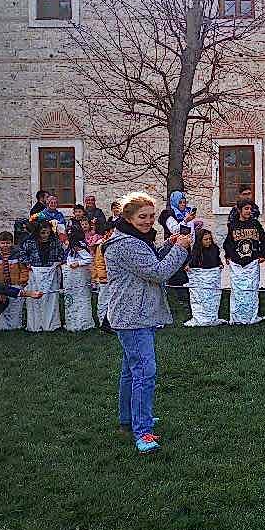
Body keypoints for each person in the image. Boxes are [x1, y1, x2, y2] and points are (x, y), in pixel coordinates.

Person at [103, 191, 192, 454]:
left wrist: (169, 245)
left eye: (152, 216)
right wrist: (180, 248)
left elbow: (149, 261)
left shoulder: (133, 239)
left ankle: (128, 420)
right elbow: (157, 272)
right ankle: (143, 432)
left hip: (134, 315)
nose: (149, 221)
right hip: (133, 317)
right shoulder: (127, 245)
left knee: (131, 372)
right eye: (142, 216)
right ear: (128, 217)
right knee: (144, 372)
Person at [224, 201, 265, 325]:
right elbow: (228, 243)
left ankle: (251, 316)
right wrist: (228, 255)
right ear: (240, 210)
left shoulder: (255, 224)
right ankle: (237, 317)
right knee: (238, 291)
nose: (249, 211)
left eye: (250, 209)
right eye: (246, 208)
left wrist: (263, 255)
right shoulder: (233, 225)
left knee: (251, 290)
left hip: (251, 262)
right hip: (237, 262)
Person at [20, 220, 65, 333]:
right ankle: (36, 325)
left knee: (51, 298)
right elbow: (22, 254)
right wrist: (27, 263)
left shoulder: (55, 241)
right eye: (43, 233)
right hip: (35, 272)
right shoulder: (30, 242)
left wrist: (58, 262)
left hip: (51, 272)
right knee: (36, 298)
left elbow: (62, 253)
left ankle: (50, 324)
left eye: (48, 233)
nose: (45, 235)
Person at [183, 229, 226, 327]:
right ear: (200, 240)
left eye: (210, 239)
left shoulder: (214, 249)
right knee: (200, 297)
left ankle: (211, 317)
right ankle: (201, 317)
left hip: (212, 277)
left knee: (212, 298)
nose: (208, 241)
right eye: (206, 239)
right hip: (201, 278)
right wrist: (188, 266)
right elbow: (193, 261)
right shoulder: (197, 251)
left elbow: (217, 259)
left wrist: (219, 264)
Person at [93, 200, 121, 331]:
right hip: (104, 279)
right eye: (111, 231)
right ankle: (102, 321)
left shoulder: (114, 244)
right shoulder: (102, 246)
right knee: (103, 300)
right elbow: (99, 263)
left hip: (113, 278)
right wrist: (103, 277)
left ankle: (111, 322)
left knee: (113, 300)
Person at [0, 231, 28, 331]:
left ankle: (15, 325)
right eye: (3, 243)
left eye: (8, 243)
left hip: (15, 284)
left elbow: (23, 269)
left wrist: (22, 280)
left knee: (15, 306)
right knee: (2, 306)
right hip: (1, 286)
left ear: (12, 243)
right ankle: (1, 326)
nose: (5, 245)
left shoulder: (17, 254)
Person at [63, 227, 95, 332]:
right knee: (72, 298)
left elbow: (89, 259)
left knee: (81, 297)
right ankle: (73, 321)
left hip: (79, 275)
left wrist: (78, 263)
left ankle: (82, 321)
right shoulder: (71, 247)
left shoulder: (79, 246)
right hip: (72, 275)